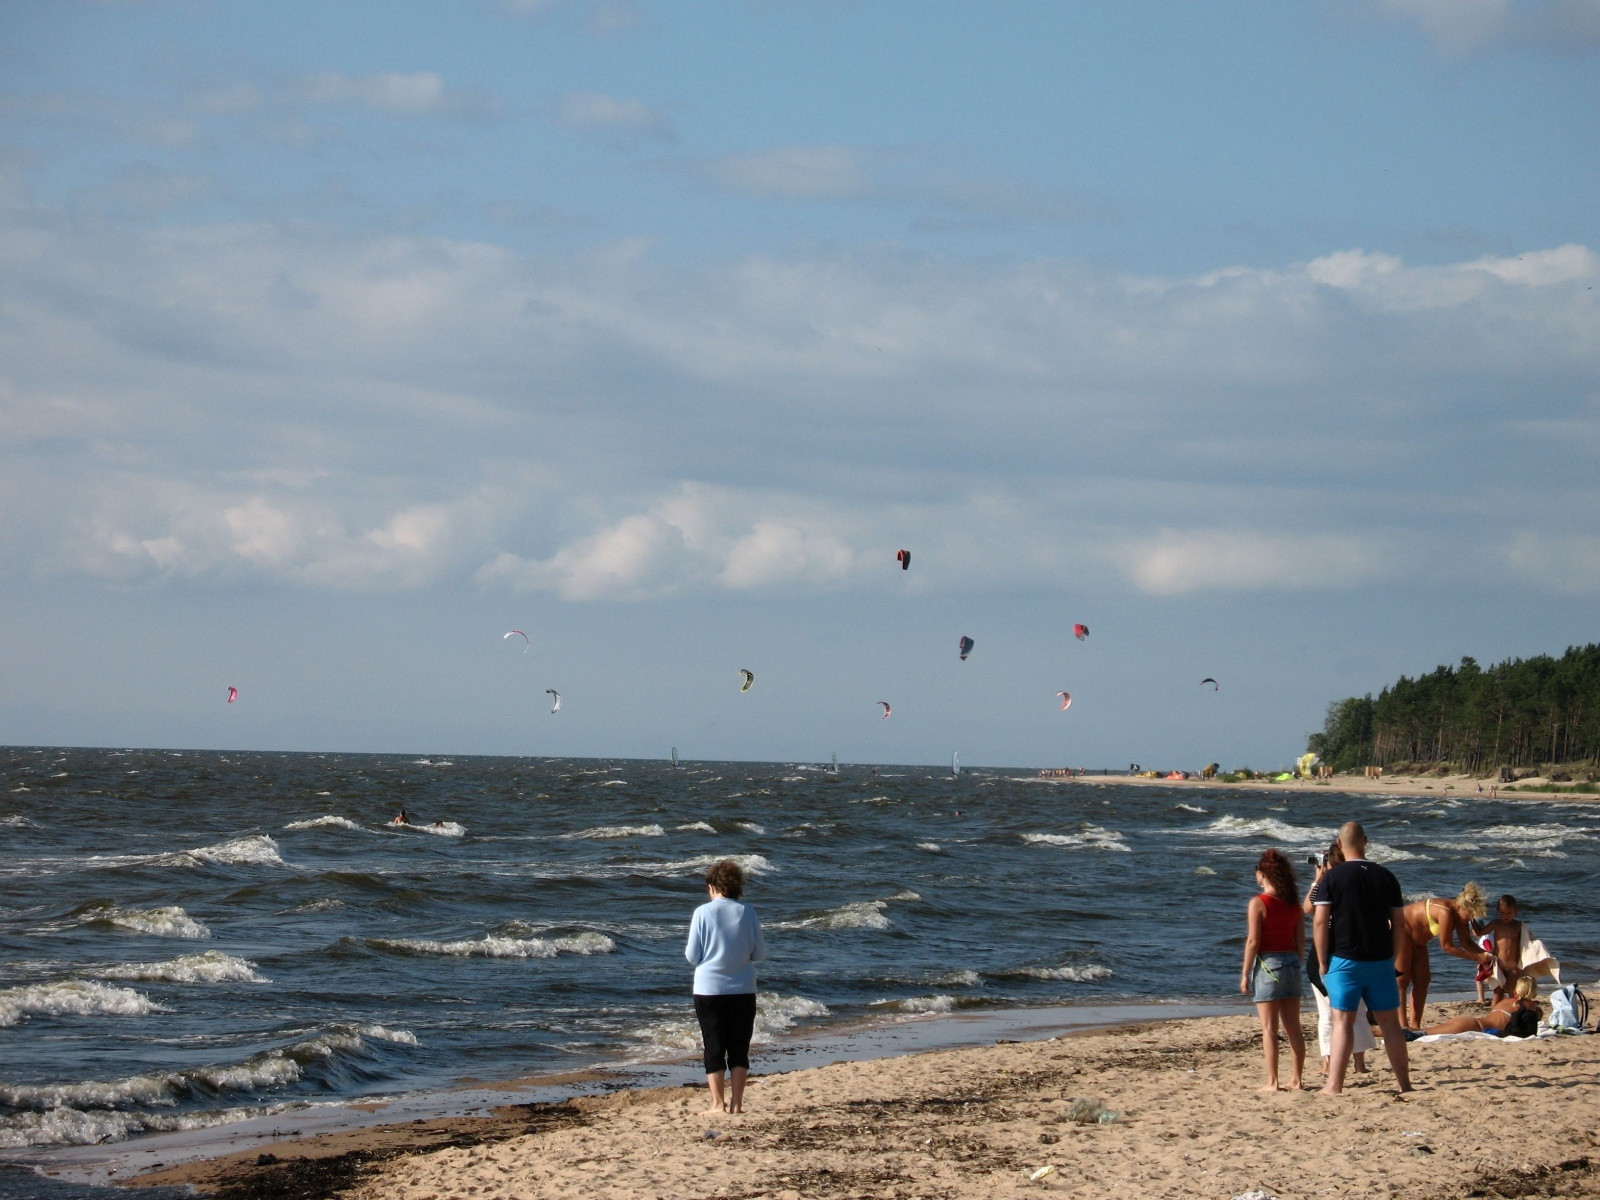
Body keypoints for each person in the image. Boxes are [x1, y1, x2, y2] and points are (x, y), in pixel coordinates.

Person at [1312, 821, 1413, 1095]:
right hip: (1380, 958)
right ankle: (1404, 1083)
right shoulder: (1386, 876)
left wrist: (1322, 960)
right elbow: (1399, 923)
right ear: (1365, 841)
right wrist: (1392, 955)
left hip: (1344, 958)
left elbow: (1320, 922)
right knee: (1390, 1023)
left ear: (1339, 844)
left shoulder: (1332, 878)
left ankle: (1334, 1085)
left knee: (1342, 1021)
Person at [685, 859, 766, 1114]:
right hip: (743, 987)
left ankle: (717, 1104)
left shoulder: (702, 913)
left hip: (709, 989)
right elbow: (759, 954)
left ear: (712, 886)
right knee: (740, 1046)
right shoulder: (748, 911)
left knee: (714, 1045)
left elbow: (692, 956)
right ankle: (737, 1103)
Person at [1303, 840, 1371, 1076]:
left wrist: (1320, 879)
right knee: (1350, 1011)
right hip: (1343, 954)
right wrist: (1318, 879)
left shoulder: (1334, 885)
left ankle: (1339, 1062)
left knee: (1341, 1013)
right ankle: (1336, 1062)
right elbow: (1307, 907)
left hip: (1337, 955)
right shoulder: (1350, 884)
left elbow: (1308, 909)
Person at [1240, 849, 1306, 1091]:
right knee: (1293, 1027)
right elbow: (1301, 941)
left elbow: (1253, 942)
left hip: (1268, 964)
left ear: (1263, 874)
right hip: (1290, 963)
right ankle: (1297, 1079)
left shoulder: (1258, 902)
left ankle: (1273, 1081)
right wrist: (1296, 961)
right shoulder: (1293, 904)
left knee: (1269, 1028)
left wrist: (1245, 973)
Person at [1396, 883, 1490, 1028]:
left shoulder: (1461, 917)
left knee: (1423, 980)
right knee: (1402, 980)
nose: (1471, 918)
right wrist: (1478, 958)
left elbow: (1466, 942)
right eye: (1470, 914)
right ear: (1462, 906)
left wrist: (1487, 956)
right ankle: (1402, 1026)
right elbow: (1447, 947)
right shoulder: (1445, 911)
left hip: (1419, 941)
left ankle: (1415, 1026)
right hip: (1401, 929)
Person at [1403, 976, 1542, 1039]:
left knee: (1423, 1031)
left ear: (1517, 990)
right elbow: (1538, 1017)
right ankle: (1385, 1033)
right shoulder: (1530, 1006)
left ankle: (1385, 1032)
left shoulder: (1507, 1001)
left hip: (1472, 1021)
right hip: (1475, 1027)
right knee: (1422, 1033)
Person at [1479, 894, 1525, 1000]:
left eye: (1509, 913)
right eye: (1502, 913)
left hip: (1513, 966)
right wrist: (1472, 923)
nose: (1506, 916)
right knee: (1498, 994)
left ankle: (1511, 1015)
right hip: (1499, 965)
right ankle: (1495, 1013)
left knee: (1513, 994)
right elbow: (1481, 932)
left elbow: (1527, 943)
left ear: (1515, 911)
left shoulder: (1519, 925)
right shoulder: (1496, 923)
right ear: (1498, 911)